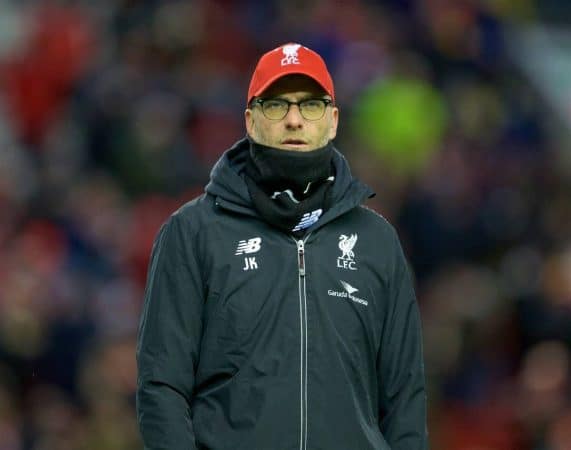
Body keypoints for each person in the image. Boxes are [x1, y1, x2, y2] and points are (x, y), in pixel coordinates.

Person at [136, 43, 428, 450]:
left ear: (333, 121)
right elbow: (162, 386)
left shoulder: (376, 242)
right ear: (251, 120)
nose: (294, 120)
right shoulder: (193, 232)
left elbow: (405, 400)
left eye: (310, 105)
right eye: (276, 105)